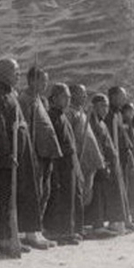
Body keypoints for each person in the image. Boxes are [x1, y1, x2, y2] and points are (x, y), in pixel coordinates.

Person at [0, 59, 30, 258]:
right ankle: (3, 240)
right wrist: (7, 154)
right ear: (2, 72)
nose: (18, 74)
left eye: (19, 70)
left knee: (13, 198)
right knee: (3, 199)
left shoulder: (12, 94)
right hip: (5, 157)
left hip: (16, 155)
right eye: (14, 70)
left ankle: (12, 237)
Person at [17, 67, 61, 249]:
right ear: (32, 80)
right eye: (42, 80)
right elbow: (26, 128)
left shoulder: (40, 99)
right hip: (34, 152)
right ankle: (30, 232)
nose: (45, 84)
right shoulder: (24, 99)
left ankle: (38, 229)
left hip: (46, 152)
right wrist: (30, 153)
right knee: (34, 193)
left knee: (44, 191)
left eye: (46, 81)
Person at [84, 94, 128, 236]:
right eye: (102, 106)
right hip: (97, 163)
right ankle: (97, 225)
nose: (105, 109)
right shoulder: (91, 122)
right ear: (94, 106)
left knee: (103, 194)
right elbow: (94, 144)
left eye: (107, 106)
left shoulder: (102, 123)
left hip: (107, 163)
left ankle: (103, 223)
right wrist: (101, 162)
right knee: (96, 194)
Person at [42, 83, 81, 245]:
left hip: (68, 161)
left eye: (69, 97)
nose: (67, 100)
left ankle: (67, 230)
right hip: (58, 162)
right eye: (64, 97)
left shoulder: (62, 116)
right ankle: (57, 232)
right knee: (58, 196)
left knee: (68, 196)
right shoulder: (51, 116)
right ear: (55, 98)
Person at [65, 84, 104, 214]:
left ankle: (81, 220)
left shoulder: (82, 112)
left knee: (87, 193)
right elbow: (70, 137)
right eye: (82, 93)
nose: (85, 96)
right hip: (80, 159)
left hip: (89, 159)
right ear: (73, 95)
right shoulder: (70, 113)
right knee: (79, 193)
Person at [106, 86, 134, 232]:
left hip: (122, 156)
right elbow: (111, 137)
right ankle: (115, 221)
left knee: (123, 188)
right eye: (121, 96)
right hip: (113, 157)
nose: (124, 99)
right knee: (115, 189)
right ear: (113, 97)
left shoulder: (118, 113)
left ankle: (124, 219)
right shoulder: (109, 114)